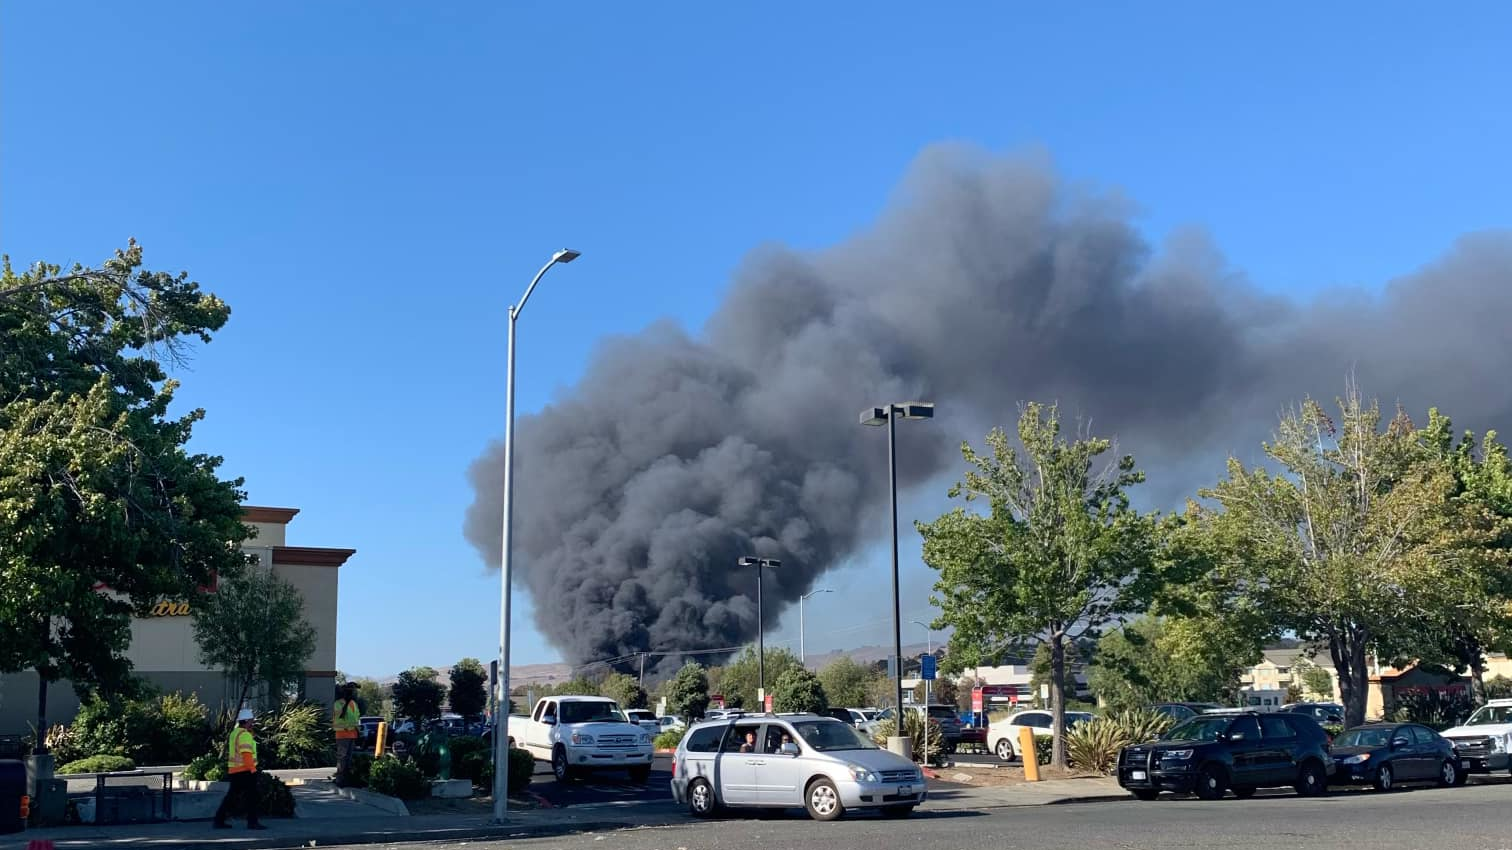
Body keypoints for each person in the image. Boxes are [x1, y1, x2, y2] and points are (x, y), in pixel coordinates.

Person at [214, 709, 263, 830]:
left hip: (235, 771)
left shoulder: (235, 733)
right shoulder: (245, 735)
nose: (252, 723)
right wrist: (253, 770)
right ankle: (252, 822)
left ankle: (219, 820)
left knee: (232, 797)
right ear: (246, 721)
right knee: (252, 797)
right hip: (245, 771)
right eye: (251, 721)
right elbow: (246, 754)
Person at [332, 683, 361, 785]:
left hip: (352, 734)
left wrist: (358, 730)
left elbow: (356, 719)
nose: (353, 692)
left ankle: (346, 778)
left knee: (348, 758)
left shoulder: (354, 704)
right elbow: (338, 719)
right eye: (352, 691)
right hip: (342, 734)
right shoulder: (338, 704)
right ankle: (340, 779)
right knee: (342, 758)